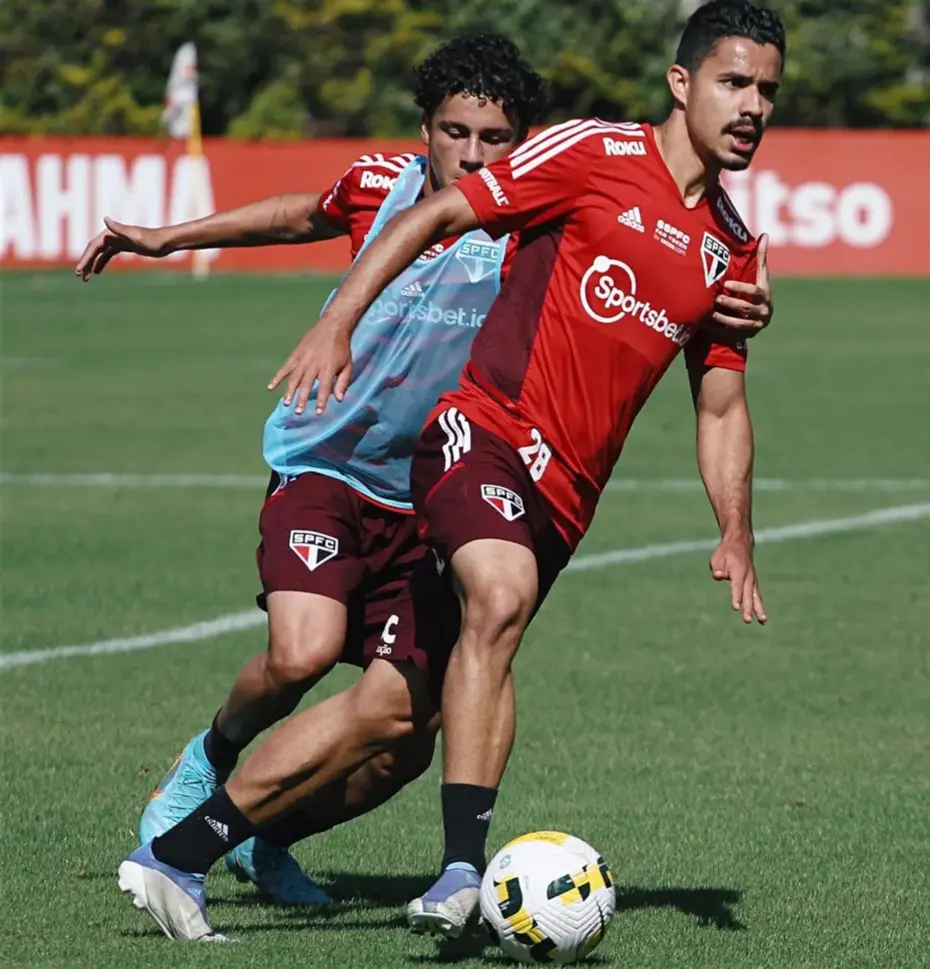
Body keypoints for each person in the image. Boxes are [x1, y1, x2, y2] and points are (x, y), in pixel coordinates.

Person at [266, 0, 784, 939]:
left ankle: (205, 834)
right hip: (484, 432)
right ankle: (463, 868)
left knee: (397, 714)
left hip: (566, 497)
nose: (751, 105)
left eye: (766, 91)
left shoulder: (733, 247)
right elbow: (440, 210)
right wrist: (337, 318)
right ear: (683, 82)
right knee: (494, 598)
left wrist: (736, 531)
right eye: (733, 82)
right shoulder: (593, 151)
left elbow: (720, 405)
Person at [75, 34, 546, 920]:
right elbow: (301, 215)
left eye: (494, 138)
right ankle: (210, 759)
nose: (473, 155)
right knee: (301, 650)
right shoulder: (384, 184)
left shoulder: (532, 224)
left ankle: (267, 838)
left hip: (426, 492)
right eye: (456, 133)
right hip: (322, 459)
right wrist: (171, 238)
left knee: (406, 737)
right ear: (426, 129)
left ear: (520, 141)